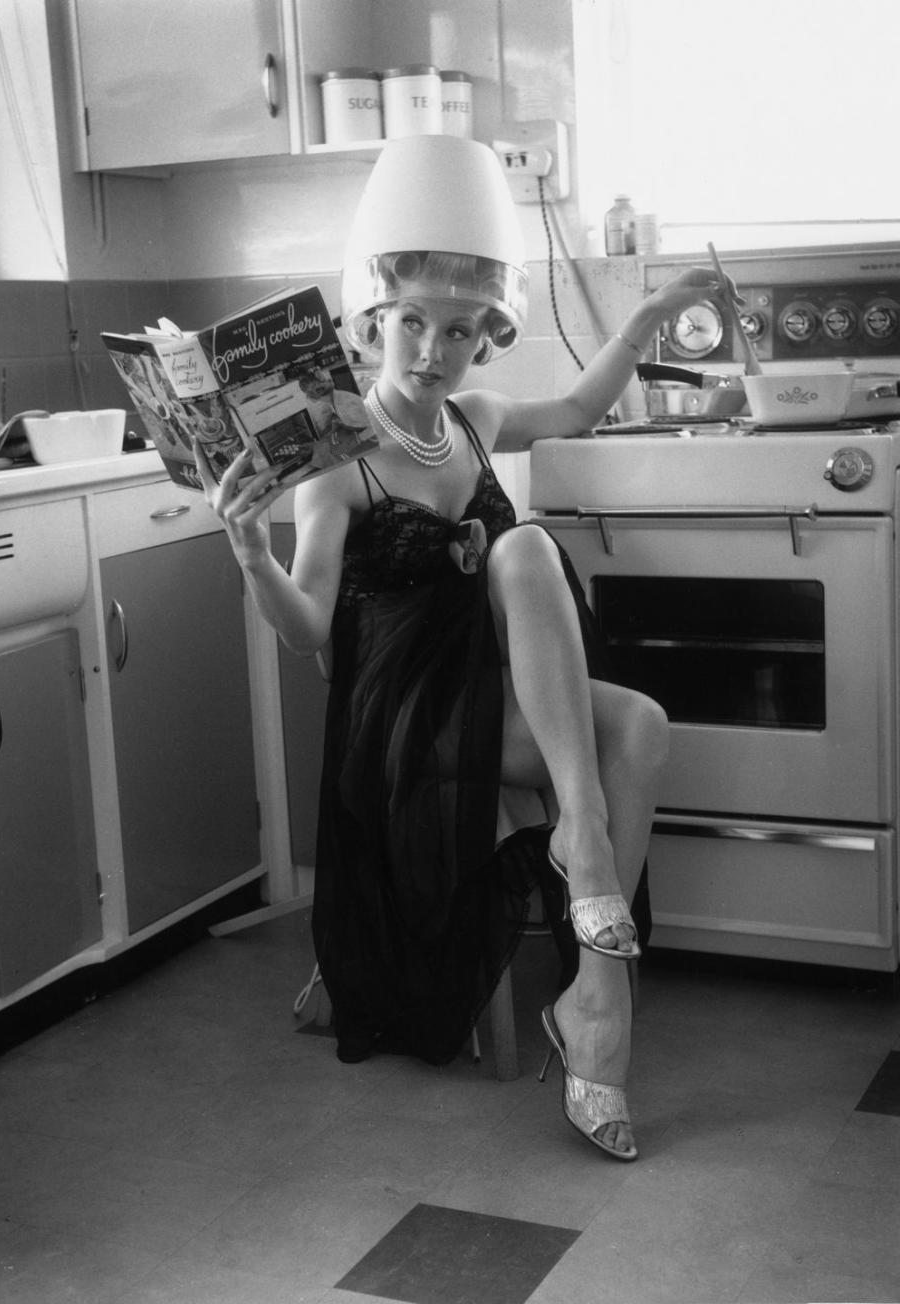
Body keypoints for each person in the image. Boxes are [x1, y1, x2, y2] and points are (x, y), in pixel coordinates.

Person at [196, 136, 733, 1162]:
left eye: (458, 330)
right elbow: (311, 626)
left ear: (483, 337)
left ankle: (591, 991)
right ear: (371, 324)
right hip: (401, 716)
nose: (432, 350)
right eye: (411, 324)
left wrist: (650, 321)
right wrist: (249, 554)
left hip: (494, 683)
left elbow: (579, 405)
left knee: (641, 719)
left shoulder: (477, 424)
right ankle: (595, 975)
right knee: (527, 549)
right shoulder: (336, 460)